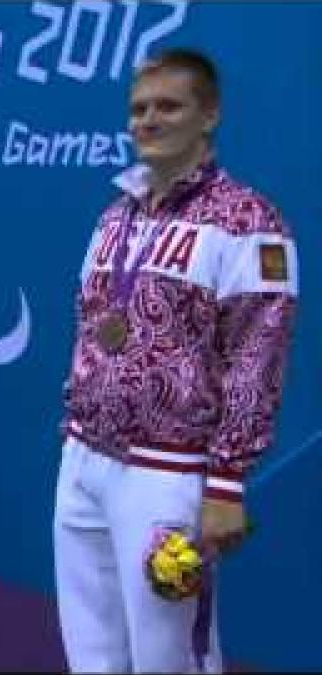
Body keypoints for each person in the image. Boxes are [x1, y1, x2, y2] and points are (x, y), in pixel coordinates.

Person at [54, 49, 298, 672]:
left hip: (166, 473)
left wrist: (225, 482)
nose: (148, 120)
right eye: (138, 109)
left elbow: (256, 357)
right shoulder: (114, 217)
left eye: (168, 106)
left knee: (170, 657)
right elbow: (91, 329)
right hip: (83, 458)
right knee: (92, 652)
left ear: (209, 115)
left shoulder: (248, 221)